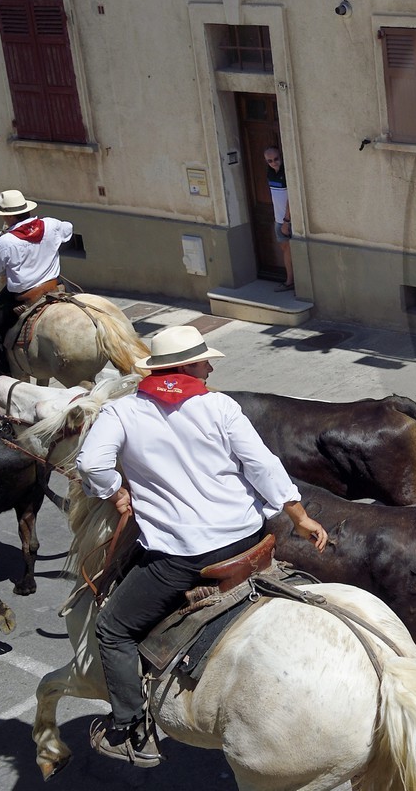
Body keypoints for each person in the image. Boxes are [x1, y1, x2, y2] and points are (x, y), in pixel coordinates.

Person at [74, 326, 330, 767]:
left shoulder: (121, 414)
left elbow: (89, 464)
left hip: (185, 557)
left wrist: (116, 491)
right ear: (185, 366)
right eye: (204, 361)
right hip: (249, 539)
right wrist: (299, 517)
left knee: (113, 629)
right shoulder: (219, 406)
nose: (210, 367)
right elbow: (262, 464)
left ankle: (130, 731)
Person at [0, 190, 73, 387]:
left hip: (24, 294)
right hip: (53, 286)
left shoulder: (7, 241)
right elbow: (68, 229)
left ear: (9, 216)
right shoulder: (51, 224)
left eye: (3, 214)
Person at [263, 147, 294, 291]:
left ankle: (292, 282)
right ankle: (290, 281)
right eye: (270, 161)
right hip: (278, 219)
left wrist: (286, 221)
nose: (274, 163)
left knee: (292, 250)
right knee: (285, 250)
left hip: (287, 221)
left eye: (276, 159)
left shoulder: (286, 173)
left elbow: (291, 199)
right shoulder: (270, 173)